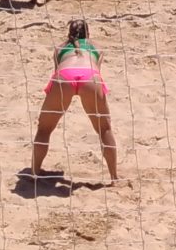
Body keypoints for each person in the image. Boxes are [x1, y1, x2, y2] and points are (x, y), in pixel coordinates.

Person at [26, 18, 119, 182]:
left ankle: (34, 172)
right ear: (88, 34)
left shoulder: (59, 48)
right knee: (104, 129)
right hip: (90, 75)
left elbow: (57, 71)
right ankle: (114, 177)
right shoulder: (97, 47)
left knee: (44, 129)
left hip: (64, 75)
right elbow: (97, 70)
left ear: (68, 33)